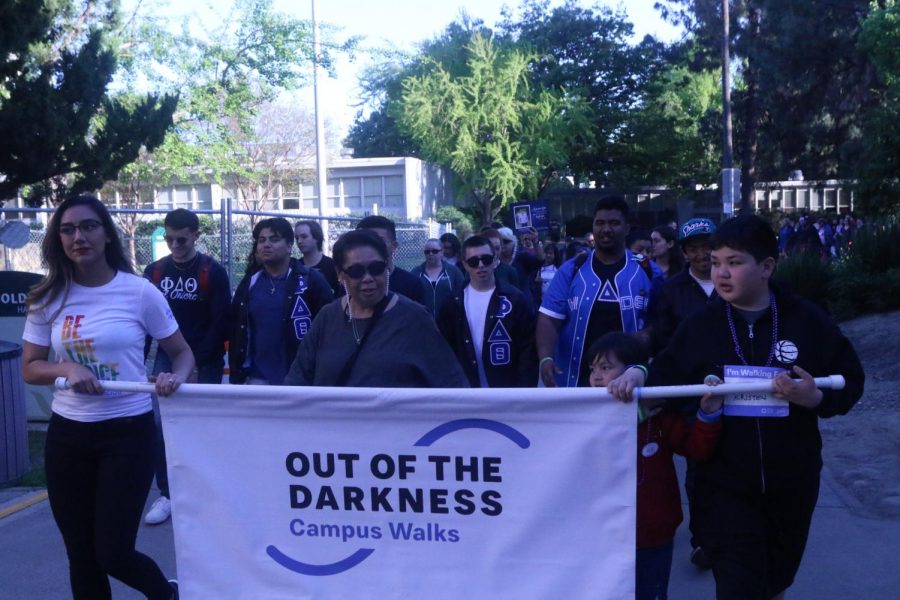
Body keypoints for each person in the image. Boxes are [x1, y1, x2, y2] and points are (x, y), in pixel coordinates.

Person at [608, 214, 865, 600]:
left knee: (775, 582)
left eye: (734, 262)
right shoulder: (702, 325)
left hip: (791, 482)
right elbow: (665, 370)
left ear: (766, 267)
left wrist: (815, 398)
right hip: (723, 486)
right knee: (739, 585)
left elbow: (851, 378)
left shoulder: (805, 318)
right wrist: (638, 375)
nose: (721, 273)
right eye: (715, 262)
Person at [22, 194, 190, 600]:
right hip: (68, 437)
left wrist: (174, 378)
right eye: (67, 229)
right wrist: (66, 368)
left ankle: (167, 594)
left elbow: (183, 353)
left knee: (112, 552)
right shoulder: (47, 296)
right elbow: (30, 367)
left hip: (127, 435)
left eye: (88, 226)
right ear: (58, 238)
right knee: (81, 555)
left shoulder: (139, 292)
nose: (78, 236)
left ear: (106, 235)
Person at [588, 332, 722, 600]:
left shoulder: (659, 414)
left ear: (633, 373)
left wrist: (708, 413)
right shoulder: (584, 415)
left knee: (651, 593)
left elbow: (697, 449)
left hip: (653, 532)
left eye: (605, 368)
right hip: (602, 534)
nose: (597, 377)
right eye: (592, 369)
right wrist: (632, 416)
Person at [284, 229, 468, 387]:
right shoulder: (327, 317)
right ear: (340, 275)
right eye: (356, 271)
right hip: (332, 427)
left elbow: (452, 385)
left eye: (376, 268)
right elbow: (297, 380)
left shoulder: (415, 318)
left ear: (387, 267)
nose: (368, 278)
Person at [142, 208, 231, 526]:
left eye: (181, 239)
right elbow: (141, 322)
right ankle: (168, 493)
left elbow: (222, 322)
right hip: (166, 357)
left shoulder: (212, 271)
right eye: (169, 239)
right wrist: (140, 363)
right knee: (162, 426)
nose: (175, 245)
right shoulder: (154, 272)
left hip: (204, 359)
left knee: (202, 425)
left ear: (195, 235)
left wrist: (194, 363)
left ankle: (205, 491)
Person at [652, 217, 719, 567]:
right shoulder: (670, 290)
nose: (703, 254)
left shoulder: (733, 283)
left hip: (736, 389)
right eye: (694, 248)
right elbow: (662, 342)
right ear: (685, 253)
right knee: (699, 469)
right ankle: (702, 540)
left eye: (709, 246)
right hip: (691, 396)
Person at [536, 196, 659, 388]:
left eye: (614, 223)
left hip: (628, 385)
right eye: (600, 223)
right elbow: (549, 318)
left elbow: (664, 320)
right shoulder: (572, 269)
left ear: (626, 228)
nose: (606, 229)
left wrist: (647, 335)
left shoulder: (648, 270)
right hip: (576, 382)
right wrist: (545, 358)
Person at [229, 217, 333, 385]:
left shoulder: (311, 280)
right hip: (256, 378)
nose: (266, 244)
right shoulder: (249, 282)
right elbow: (236, 329)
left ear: (289, 245)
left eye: (274, 239)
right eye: (261, 240)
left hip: (299, 378)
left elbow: (330, 327)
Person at [437, 235, 537, 387]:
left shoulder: (515, 299)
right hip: (467, 391)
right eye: (473, 261)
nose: (481, 265)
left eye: (486, 259)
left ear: (495, 260)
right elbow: (445, 351)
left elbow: (528, 349)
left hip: (507, 390)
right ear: (465, 264)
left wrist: (524, 391)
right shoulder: (452, 303)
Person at [356, 215, 425, 304]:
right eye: (365, 241)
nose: (371, 245)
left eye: (379, 240)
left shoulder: (412, 284)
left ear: (394, 246)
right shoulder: (351, 284)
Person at [411, 238, 464, 319]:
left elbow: (463, 294)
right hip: (423, 321)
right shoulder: (416, 273)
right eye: (427, 252)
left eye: (435, 251)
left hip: (448, 322)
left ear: (442, 252)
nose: (431, 254)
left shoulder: (454, 272)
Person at [294, 220, 341, 297]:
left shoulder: (333, 266)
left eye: (304, 237)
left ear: (317, 237)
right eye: (297, 238)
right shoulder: (295, 268)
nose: (299, 241)